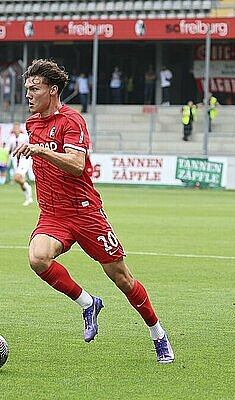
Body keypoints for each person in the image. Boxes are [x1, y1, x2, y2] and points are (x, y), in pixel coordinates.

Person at [14, 59, 174, 363]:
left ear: (53, 90)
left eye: (34, 89)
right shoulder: (32, 123)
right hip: (53, 214)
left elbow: (76, 166)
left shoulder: (72, 121)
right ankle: (88, 303)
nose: (29, 95)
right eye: (27, 89)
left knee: (122, 279)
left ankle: (158, 335)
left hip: (86, 214)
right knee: (37, 258)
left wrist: (40, 151)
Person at [8, 122, 33, 206]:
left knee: (17, 177)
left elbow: (30, 146)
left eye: (17, 128)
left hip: (24, 160)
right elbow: (10, 150)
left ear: (19, 129)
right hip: (16, 161)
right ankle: (28, 198)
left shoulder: (24, 138)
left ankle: (29, 192)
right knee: (20, 181)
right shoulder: (11, 139)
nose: (15, 130)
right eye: (14, 128)